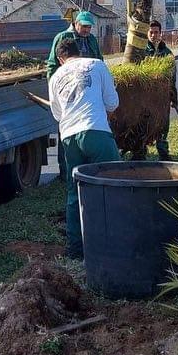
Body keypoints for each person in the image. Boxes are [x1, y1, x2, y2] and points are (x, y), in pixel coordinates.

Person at [48, 36, 121, 259]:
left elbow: (57, 114)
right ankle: (113, 242)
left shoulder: (55, 77)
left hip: (69, 137)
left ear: (61, 59)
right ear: (78, 52)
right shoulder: (96, 65)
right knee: (113, 183)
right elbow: (112, 102)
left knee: (75, 191)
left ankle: (76, 249)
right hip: (96, 130)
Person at [47, 11, 105, 185]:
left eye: (89, 27)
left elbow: (99, 59)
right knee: (68, 129)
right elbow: (52, 65)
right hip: (69, 90)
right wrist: (55, 91)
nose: (87, 30)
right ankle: (66, 172)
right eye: (84, 26)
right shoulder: (63, 37)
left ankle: (89, 170)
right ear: (76, 23)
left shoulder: (91, 39)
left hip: (88, 87)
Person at [143, 20, 175, 159]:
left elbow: (172, 77)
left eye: (156, 32)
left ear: (160, 34)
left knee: (163, 124)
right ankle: (140, 151)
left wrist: (173, 96)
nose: (153, 35)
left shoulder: (167, 53)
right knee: (144, 124)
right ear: (147, 33)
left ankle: (163, 152)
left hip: (162, 96)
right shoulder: (142, 52)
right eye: (151, 32)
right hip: (145, 95)